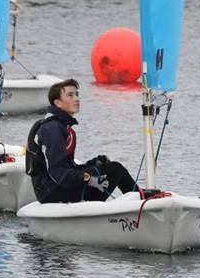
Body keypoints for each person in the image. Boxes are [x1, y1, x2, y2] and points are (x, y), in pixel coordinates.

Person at [26, 78, 159, 204]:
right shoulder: (52, 129)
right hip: (52, 192)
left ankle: (136, 200)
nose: (76, 99)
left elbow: (67, 168)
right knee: (115, 169)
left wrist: (93, 165)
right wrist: (89, 177)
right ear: (58, 103)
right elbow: (58, 173)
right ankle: (140, 203)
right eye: (70, 95)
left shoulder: (59, 125)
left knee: (107, 166)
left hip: (57, 187)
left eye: (77, 94)